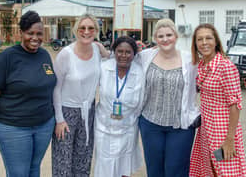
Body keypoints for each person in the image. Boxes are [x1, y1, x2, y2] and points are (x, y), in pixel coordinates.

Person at [0, 10, 56, 176]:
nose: (35, 38)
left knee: (34, 169)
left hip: (44, 126)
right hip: (13, 128)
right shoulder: (6, 58)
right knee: (18, 173)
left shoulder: (45, 55)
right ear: (21, 33)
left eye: (39, 33)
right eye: (30, 33)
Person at [136, 18, 200, 177]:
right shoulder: (144, 57)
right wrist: (99, 50)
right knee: (154, 170)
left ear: (176, 36)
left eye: (169, 35)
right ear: (155, 39)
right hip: (150, 124)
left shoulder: (191, 60)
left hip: (180, 126)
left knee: (176, 171)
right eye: (160, 36)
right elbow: (120, 57)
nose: (165, 39)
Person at [52, 13, 109, 177]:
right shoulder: (65, 54)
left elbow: (118, 57)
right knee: (63, 163)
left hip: (88, 112)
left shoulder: (98, 50)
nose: (86, 31)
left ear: (96, 31)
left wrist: (149, 52)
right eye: (82, 28)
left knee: (83, 160)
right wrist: (59, 119)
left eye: (91, 28)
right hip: (66, 113)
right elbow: (56, 88)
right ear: (76, 30)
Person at [189, 23, 246, 176]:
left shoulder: (226, 67)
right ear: (195, 44)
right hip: (206, 128)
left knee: (224, 170)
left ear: (216, 41)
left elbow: (235, 105)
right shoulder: (201, 65)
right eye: (199, 39)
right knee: (210, 169)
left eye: (208, 38)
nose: (204, 42)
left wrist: (229, 139)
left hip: (223, 129)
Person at [94, 36, 144, 177]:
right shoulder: (104, 68)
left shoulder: (139, 73)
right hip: (103, 127)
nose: (123, 55)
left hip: (127, 128)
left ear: (134, 54)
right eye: (119, 51)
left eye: (128, 52)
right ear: (113, 52)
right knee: (104, 166)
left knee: (124, 166)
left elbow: (140, 103)